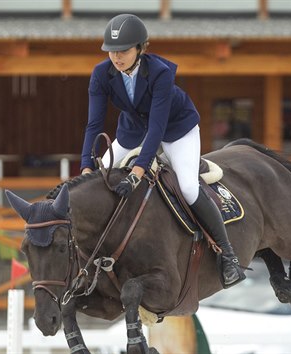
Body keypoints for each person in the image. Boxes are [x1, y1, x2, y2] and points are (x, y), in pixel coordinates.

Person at [79, 14, 245, 288]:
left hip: (176, 131)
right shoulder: (101, 74)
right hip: (132, 132)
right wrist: (85, 166)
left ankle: (228, 256)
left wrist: (137, 171)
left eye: (123, 51)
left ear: (141, 49)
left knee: (189, 188)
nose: (116, 57)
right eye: (111, 51)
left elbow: (157, 128)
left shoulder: (160, 72)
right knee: (96, 178)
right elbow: (94, 124)